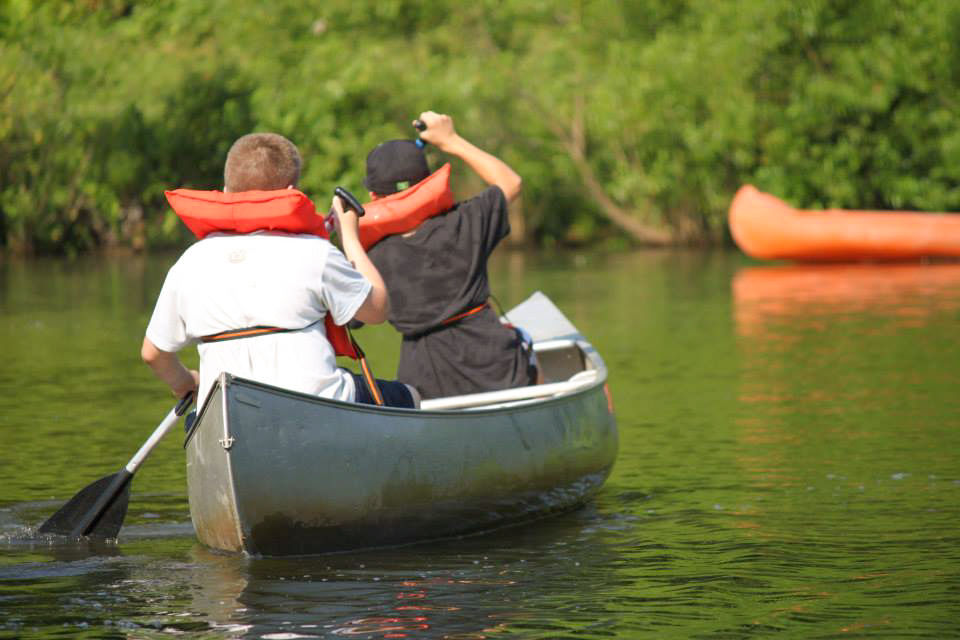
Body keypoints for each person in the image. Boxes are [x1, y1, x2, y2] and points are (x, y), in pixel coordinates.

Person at [142, 132, 419, 409]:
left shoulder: (190, 262)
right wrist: (350, 236)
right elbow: (377, 309)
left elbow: (153, 353)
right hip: (318, 405)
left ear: (226, 192)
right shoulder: (316, 253)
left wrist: (185, 382)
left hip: (229, 411)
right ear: (291, 193)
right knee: (411, 396)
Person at [362, 110, 537, 400]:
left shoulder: (371, 257)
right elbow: (511, 182)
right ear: (429, 183)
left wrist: (347, 237)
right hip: (495, 365)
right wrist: (451, 140)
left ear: (372, 198)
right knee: (530, 353)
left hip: (424, 381)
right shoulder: (467, 220)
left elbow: (349, 315)